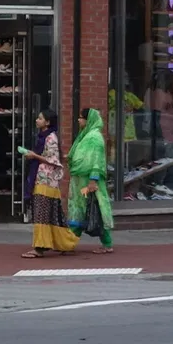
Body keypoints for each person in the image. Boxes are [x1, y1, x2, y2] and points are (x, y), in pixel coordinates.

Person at [20, 110, 77, 258]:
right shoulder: (44, 137)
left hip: (45, 180)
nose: (37, 120)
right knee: (54, 214)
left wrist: (34, 155)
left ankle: (40, 247)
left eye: (40, 118)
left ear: (47, 122)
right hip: (47, 180)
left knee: (41, 214)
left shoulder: (50, 138)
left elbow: (53, 160)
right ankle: (65, 243)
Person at [66, 107, 115, 253]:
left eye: (81, 117)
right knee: (81, 209)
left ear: (88, 120)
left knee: (93, 208)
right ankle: (70, 243)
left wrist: (93, 180)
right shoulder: (86, 135)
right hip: (81, 179)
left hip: (89, 181)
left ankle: (105, 244)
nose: (78, 120)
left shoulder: (94, 137)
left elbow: (97, 160)